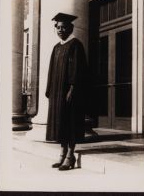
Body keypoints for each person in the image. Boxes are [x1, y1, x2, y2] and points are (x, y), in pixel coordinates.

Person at [45, 13, 87, 171]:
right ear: (55, 29)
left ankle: (70, 155)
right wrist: (49, 90)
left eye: (64, 27)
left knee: (70, 121)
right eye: (58, 27)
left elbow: (78, 71)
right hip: (57, 91)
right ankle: (62, 153)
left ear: (71, 28)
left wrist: (72, 89)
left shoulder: (76, 45)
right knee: (60, 122)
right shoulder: (56, 47)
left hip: (69, 91)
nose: (61, 30)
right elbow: (51, 70)